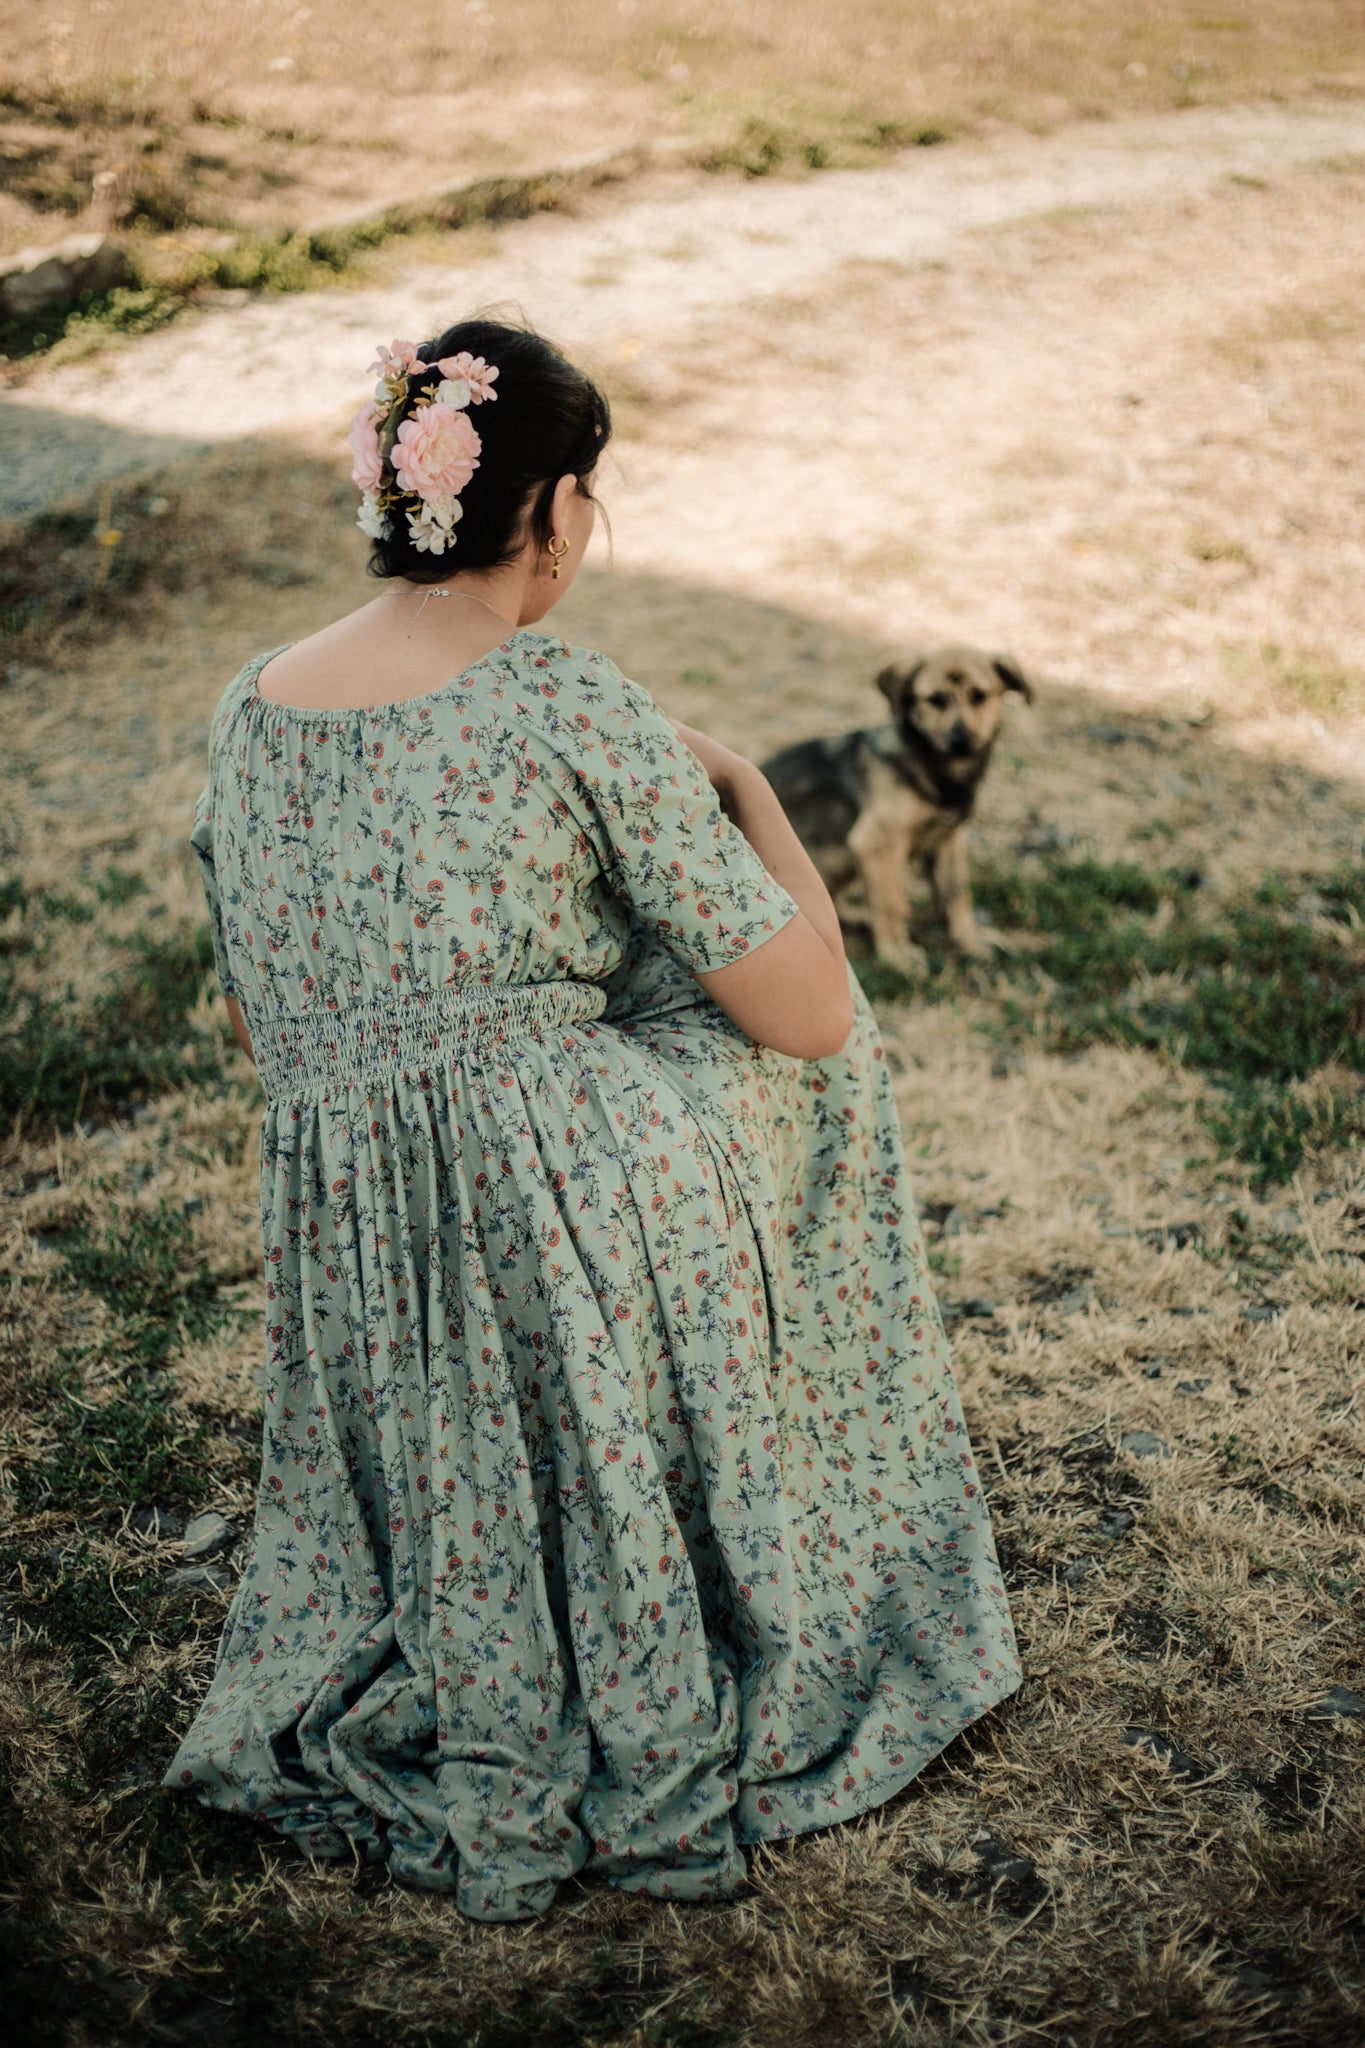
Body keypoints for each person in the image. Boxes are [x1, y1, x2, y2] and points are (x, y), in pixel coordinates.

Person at [163, 316, 1022, 1922]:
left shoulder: (250, 706)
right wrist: (752, 790)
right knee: (812, 1057)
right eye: (587, 505)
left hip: (366, 1229)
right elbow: (810, 1014)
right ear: (551, 508)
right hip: (575, 1197)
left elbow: (255, 1019)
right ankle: (793, 1473)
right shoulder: (562, 697)